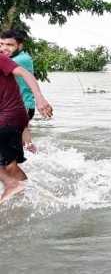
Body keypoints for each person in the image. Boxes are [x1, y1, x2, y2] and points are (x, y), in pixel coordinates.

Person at [0, 53, 53, 204]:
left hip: (10, 116)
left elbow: (25, 73)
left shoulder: (1, 59)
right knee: (10, 167)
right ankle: (32, 198)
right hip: (14, 117)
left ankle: (11, 185)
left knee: (9, 170)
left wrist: (39, 98)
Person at [0, 29, 37, 153]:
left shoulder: (22, 59)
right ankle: (39, 161)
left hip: (23, 106)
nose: (4, 48)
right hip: (20, 107)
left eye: (10, 45)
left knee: (16, 144)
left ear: (20, 46)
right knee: (25, 143)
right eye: (1, 44)